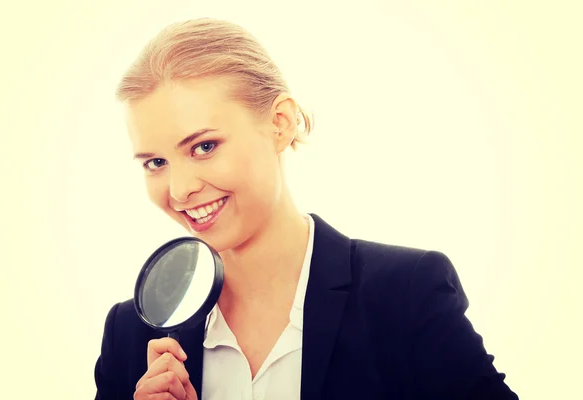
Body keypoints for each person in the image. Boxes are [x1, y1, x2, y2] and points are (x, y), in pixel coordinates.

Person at [94, 17, 518, 400]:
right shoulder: (131, 335)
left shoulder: (404, 295)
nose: (180, 189)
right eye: (155, 162)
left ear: (280, 123)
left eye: (204, 146)